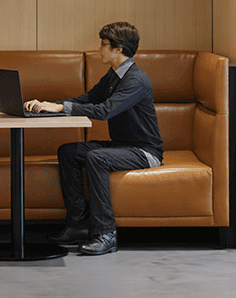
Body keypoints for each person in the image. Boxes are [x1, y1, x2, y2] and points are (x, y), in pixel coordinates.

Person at [27, 21, 162, 256]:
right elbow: (88, 98)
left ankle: (106, 234)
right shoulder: (114, 75)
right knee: (68, 152)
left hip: (144, 151)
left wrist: (61, 109)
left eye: (103, 44)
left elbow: (105, 110)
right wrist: (50, 105)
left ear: (118, 50)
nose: (99, 49)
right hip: (122, 146)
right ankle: (79, 225)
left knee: (97, 158)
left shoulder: (135, 80)